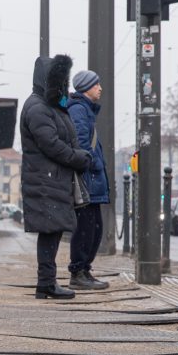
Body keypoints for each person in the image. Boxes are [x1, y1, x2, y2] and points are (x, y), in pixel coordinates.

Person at [20, 54, 92, 300]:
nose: (64, 84)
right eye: (60, 79)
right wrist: (77, 157)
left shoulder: (48, 105)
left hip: (51, 179)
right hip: (45, 180)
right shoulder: (38, 107)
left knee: (53, 231)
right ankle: (46, 284)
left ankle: (47, 283)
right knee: (50, 232)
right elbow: (50, 144)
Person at [67, 69, 110, 290]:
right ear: (85, 88)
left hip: (91, 179)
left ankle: (84, 270)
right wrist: (94, 165)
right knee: (86, 228)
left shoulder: (85, 110)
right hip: (87, 180)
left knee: (94, 228)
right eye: (96, 85)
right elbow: (82, 145)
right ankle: (78, 272)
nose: (100, 88)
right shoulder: (79, 110)